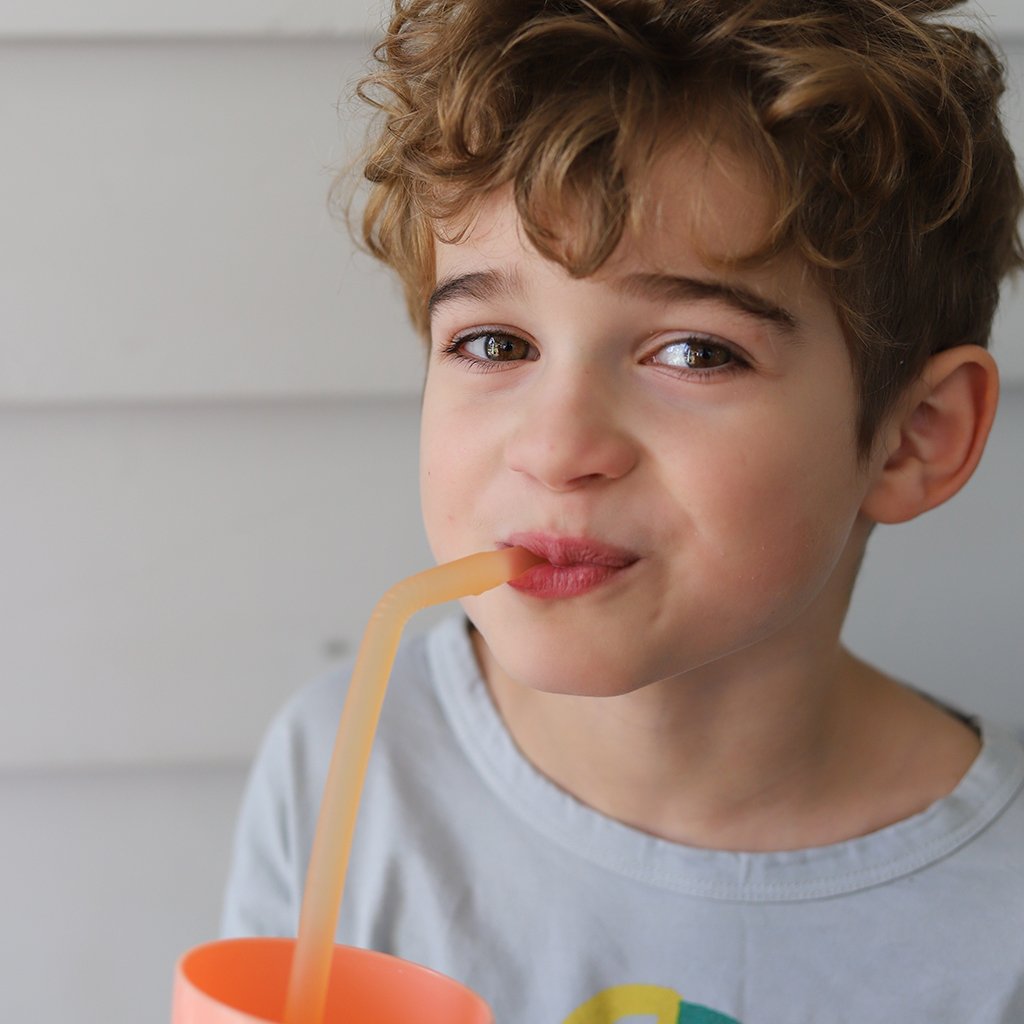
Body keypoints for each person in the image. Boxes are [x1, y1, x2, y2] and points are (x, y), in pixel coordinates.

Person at [221, 2, 1024, 1020]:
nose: (557, 449)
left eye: (693, 352)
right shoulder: (348, 757)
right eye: (495, 344)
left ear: (914, 436)